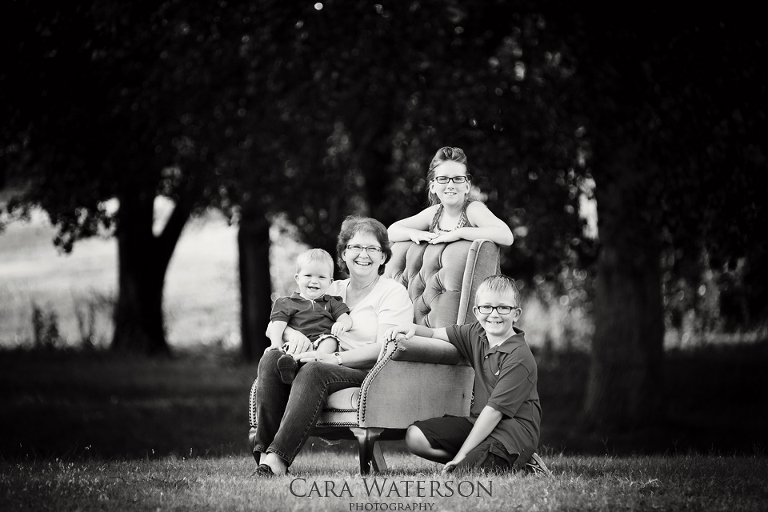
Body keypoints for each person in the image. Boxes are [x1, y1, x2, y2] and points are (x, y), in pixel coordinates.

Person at [253, 216, 413, 477]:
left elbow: (387, 348)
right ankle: (264, 457)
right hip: (316, 359)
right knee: (271, 359)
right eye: (355, 247)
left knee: (315, 370)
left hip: (367, 372)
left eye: (372, 248)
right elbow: (278, 321)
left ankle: (278, 458)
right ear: (344, 254)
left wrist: (333, 359)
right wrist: (293, 334)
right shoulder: (329, 286)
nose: (363, 254)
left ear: (383, 257)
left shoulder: (392, 292)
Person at [385, 274, 551, 476]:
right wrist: (411, 328)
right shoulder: (475, 333)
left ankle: (521, 462)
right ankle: (475, 458)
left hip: (512, 435)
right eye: (487, 307)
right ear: (477, 311)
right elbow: (436, 334)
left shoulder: (519, 358)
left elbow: (493, 414)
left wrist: (461, 456)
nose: (494, 314)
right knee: (415, 437)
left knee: (465, 475)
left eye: (503, 308)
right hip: (477, 422)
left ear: (516, 314)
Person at [387, 146, 514, 247]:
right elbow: (391, 231)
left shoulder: (472, 209)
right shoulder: (434, 214)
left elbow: (506, 236)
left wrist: (459, 233)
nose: (451, 185)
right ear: (433, 187)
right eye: (443, 179)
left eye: (458, 179)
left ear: (467, 186)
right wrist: (413, 233)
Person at [267, 248, 353, 384]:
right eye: (308, 276)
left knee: (331, 341)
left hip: (320, 343)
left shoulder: (332, 302)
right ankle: (291, 367)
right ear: (297, 278)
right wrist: (276, 342)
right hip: (296, 345)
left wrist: (342, 324)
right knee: (287, 352)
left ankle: (317, 364)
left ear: (330, 282)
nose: (314, 281)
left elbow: (345, 318)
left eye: (321, 277)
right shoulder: (287, 303)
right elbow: (277, 324)